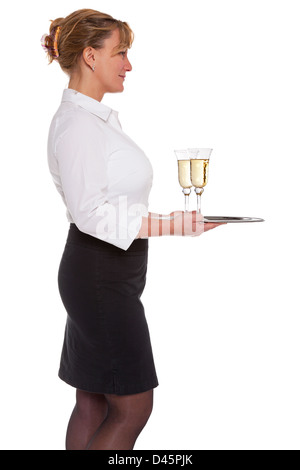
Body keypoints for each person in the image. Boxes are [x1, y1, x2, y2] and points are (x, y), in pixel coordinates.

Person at [42, 8, 222, 451]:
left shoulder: (90, 119)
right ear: (90, 56)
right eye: (120, 53)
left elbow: (111, 203)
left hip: (103, 273)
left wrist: (173, 222)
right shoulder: (79, 125)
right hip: (100, 276)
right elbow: (91, 214)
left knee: (93, 401)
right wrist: (174, 225)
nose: (128, 64)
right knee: (133, 405)